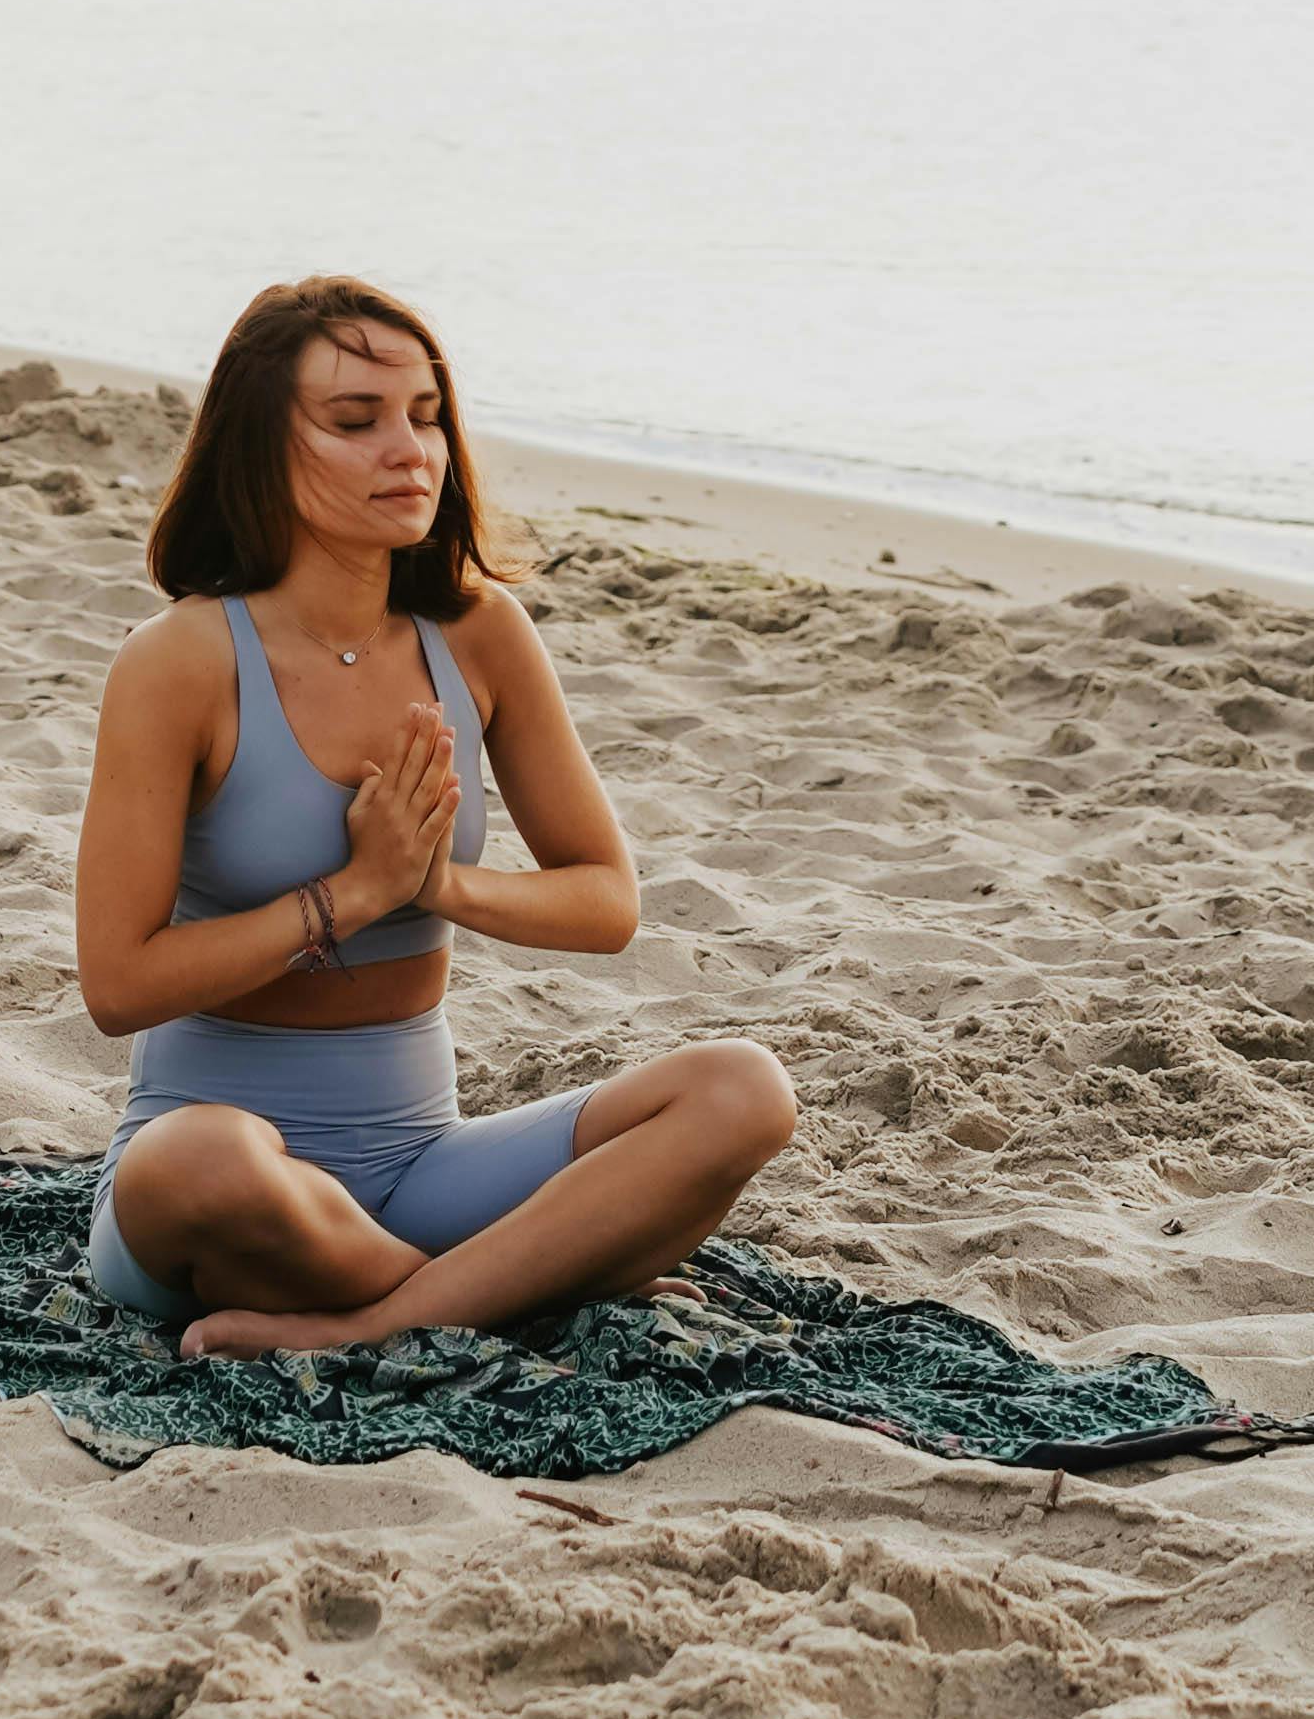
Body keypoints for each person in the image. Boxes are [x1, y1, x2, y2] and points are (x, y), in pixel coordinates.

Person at [73, 274, 795, 1361]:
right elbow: (117, 985)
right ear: (259, 448)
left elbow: (604, 903)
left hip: (419, 1167)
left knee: (742, 1090)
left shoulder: (477, 628)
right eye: (355, 422)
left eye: (425, 416)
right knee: (193, 1161)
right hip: (230, 1187)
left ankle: (382, 1319)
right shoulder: (179, 661)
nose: (408, 451)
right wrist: (346, 897)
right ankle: (515, 1286)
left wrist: (437, 887)